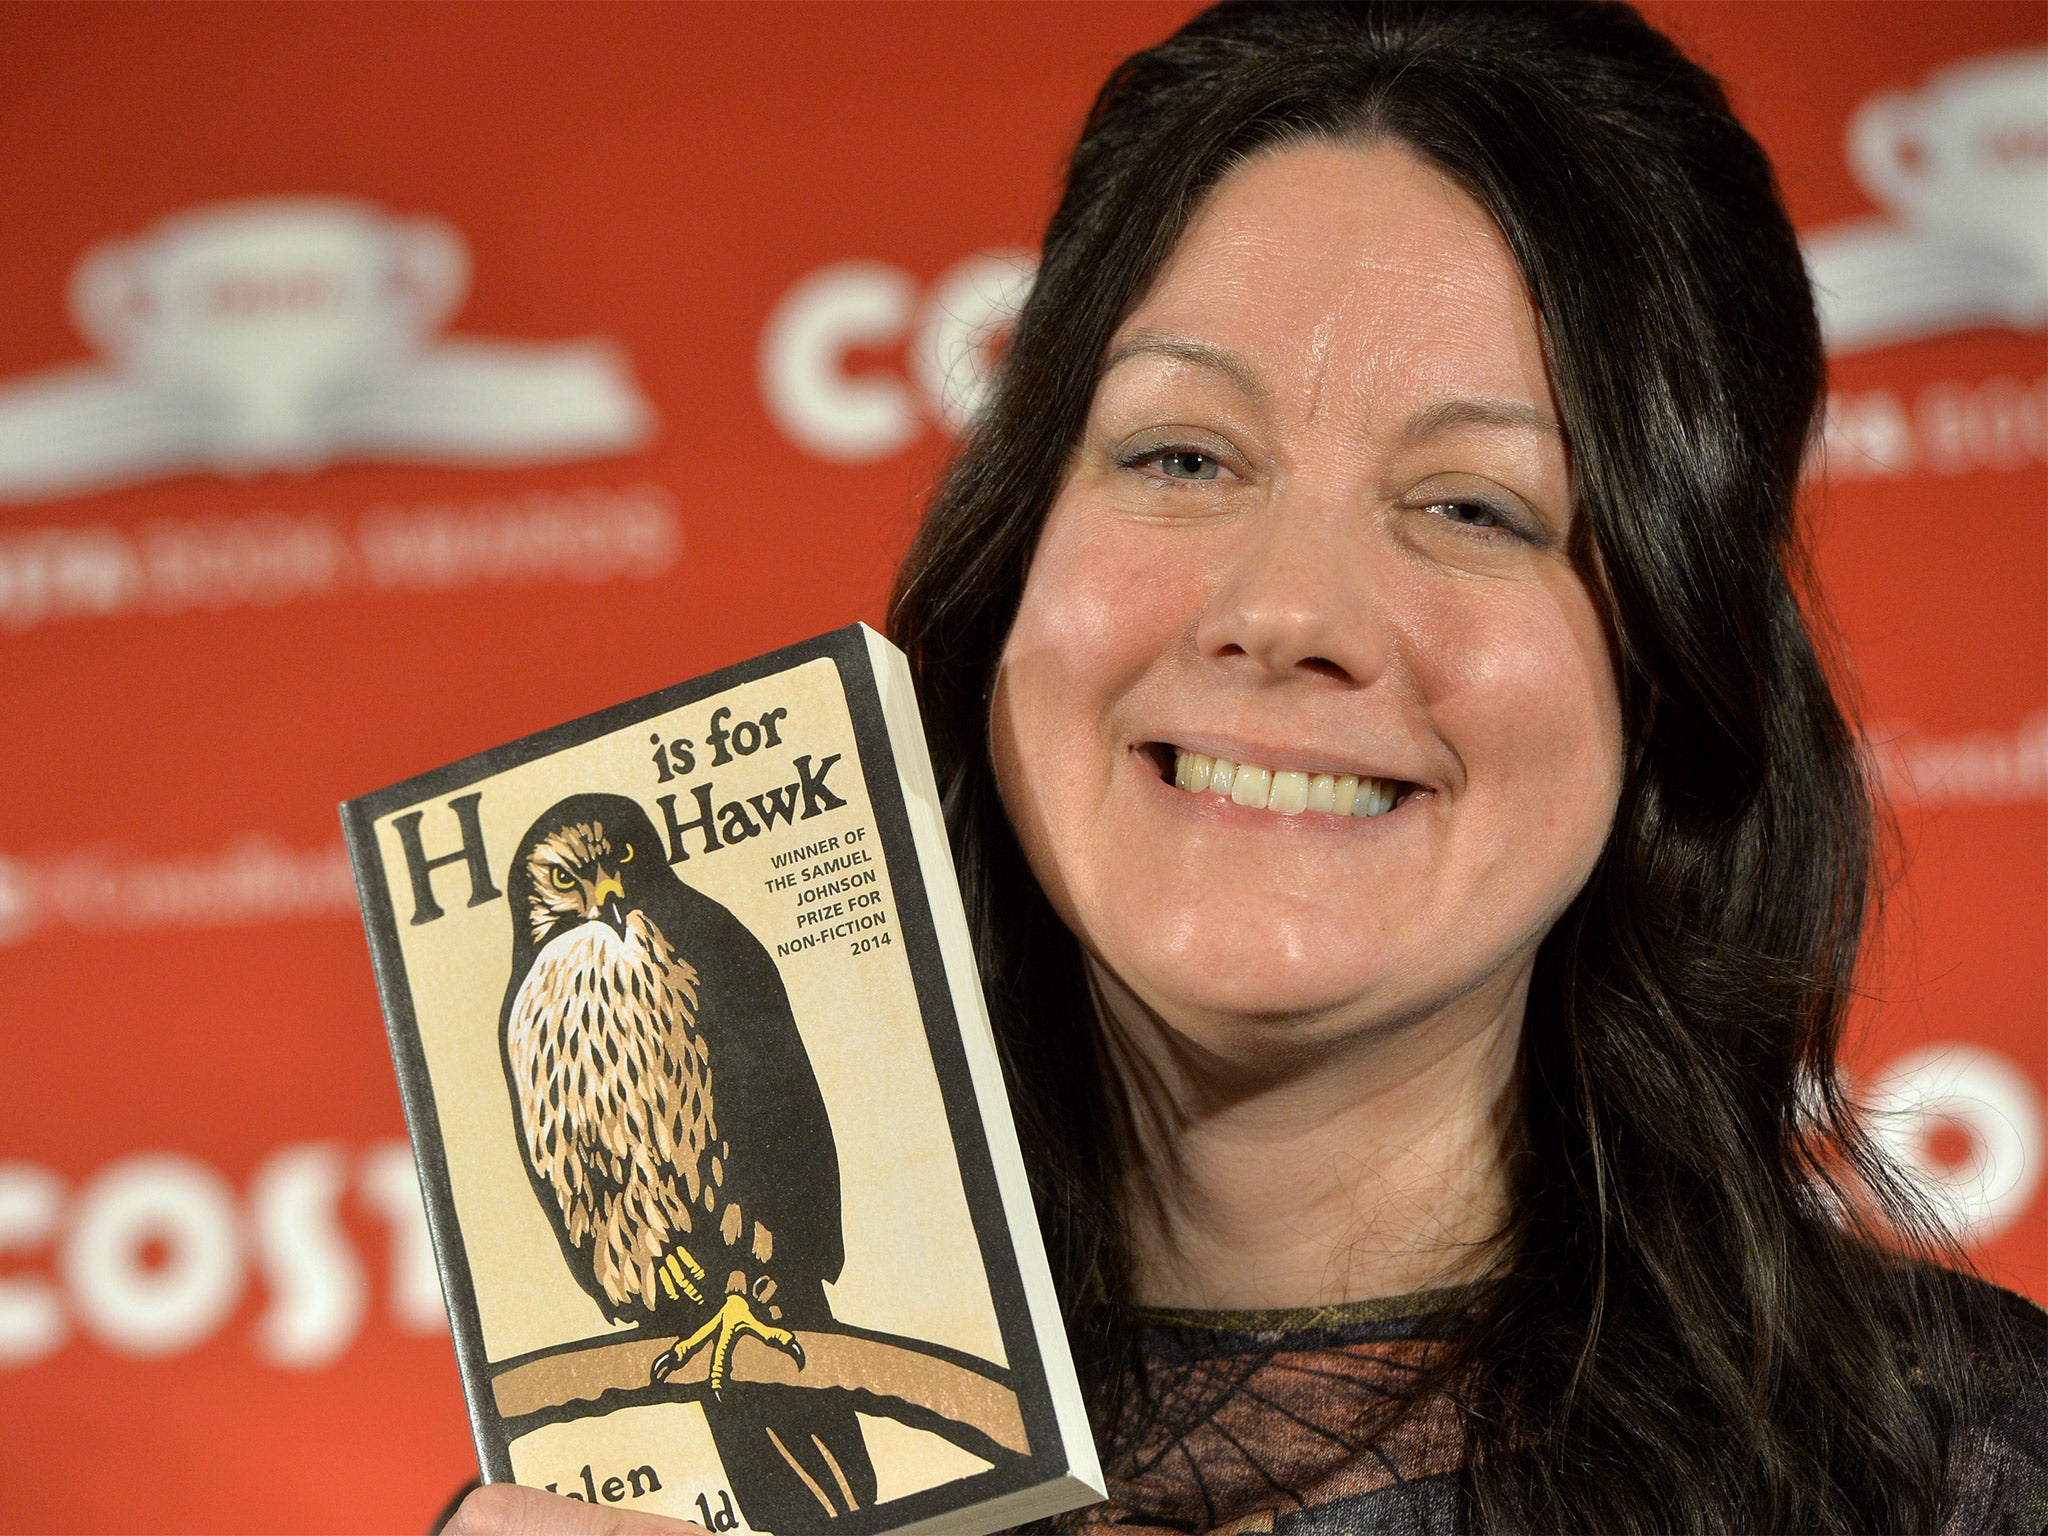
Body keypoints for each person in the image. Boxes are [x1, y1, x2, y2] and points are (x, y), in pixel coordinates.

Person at [448, 4, 2047, 1533]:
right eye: (1181, 456)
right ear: (1012, 555)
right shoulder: (642, 1479)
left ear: (1670, 674)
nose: (1286, 612)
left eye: (1476, 505)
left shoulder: (1958, 1474)